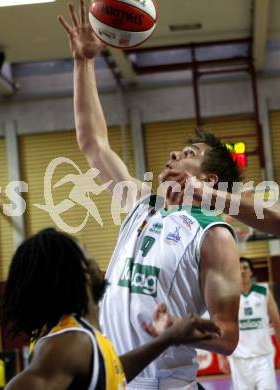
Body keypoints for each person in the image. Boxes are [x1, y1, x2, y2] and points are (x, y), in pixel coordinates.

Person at [59, 1, 241, 389]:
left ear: (208, 181)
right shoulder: (141, 201)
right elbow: (93, 142)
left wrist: (179, 329)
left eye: (189, 154)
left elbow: (227, 335)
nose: (175, 153)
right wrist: (84, 62)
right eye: (179, 149)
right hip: (118, 375)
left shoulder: (214, 235)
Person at [0, 228, 222, 390]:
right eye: (87, 252)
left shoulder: (79, 334)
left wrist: (168, 339)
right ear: (83, 269)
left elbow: (110, 371)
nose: (98, 261)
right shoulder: (70, 341)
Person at [228, 257, 280, 390]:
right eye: (238, 268)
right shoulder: (229, 295)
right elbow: (225, 326)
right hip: (239, 359)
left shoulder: (264, 291)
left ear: (251, 272)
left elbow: (277, 322)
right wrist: (223, 356)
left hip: (264, 357)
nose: (242, 271)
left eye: (245, 268)